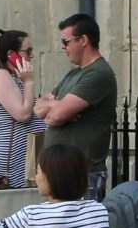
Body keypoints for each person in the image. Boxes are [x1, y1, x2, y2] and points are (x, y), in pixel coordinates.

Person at [32, 13, 117, 196]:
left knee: (84, 225)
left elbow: (56, 116)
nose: (63, 47)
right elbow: (38, 107)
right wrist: (59, 106)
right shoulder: (72, 75)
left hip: (83, 174)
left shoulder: (98, 73)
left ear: (83, 40)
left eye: (66, 41)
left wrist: (57, 107)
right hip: (59, 172)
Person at [0, 29, 43, 189]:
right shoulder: (2, 76)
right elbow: (22, 114)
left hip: (23, 159)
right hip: (11, 163)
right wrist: (29, 82)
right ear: (11, 54)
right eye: (27, 51)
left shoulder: (15, 78)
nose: (32, 56)